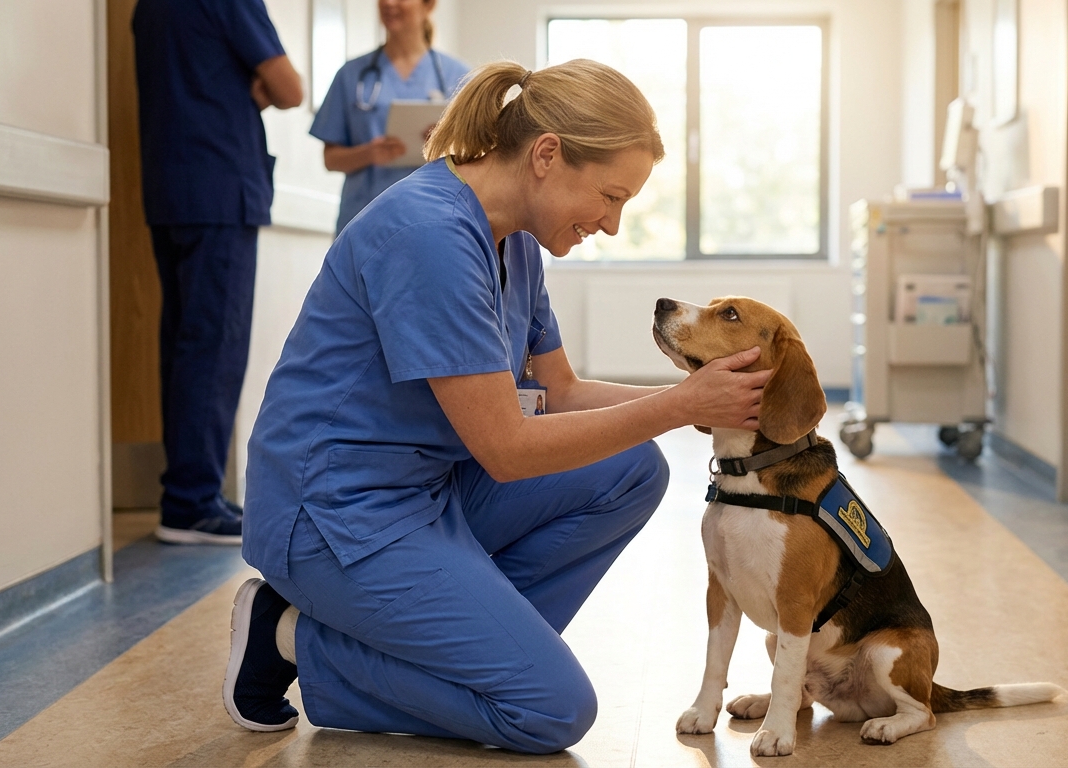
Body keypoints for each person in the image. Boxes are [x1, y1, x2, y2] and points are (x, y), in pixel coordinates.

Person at [224, 60, 771, 753]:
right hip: (335, 516)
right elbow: (507, 449)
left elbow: (562, 394)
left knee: (634, 469)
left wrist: (698, 404)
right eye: (609, 196)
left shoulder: (515, 241)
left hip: (427, 492)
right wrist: (679, 404)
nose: (611, 224)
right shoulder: (430, 235)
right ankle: (289, 638)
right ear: (547, 155)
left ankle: (468, 656)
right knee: (550, 711)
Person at [132, 0, 303, 545]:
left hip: (170, 189)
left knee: (183, 346)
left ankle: (188, 490)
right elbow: (290, 89)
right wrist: (253, 85)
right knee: (213, 347)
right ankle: (191, 502)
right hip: (220, 189)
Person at [310, 0, 470, 235]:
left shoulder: (458, 77)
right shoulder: (351, 75)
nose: (388, 3)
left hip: (434, 219)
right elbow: (331, 158)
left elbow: (479, 155)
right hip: (363, 220)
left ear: (428, 6)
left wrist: (446, 143)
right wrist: (368, 154)